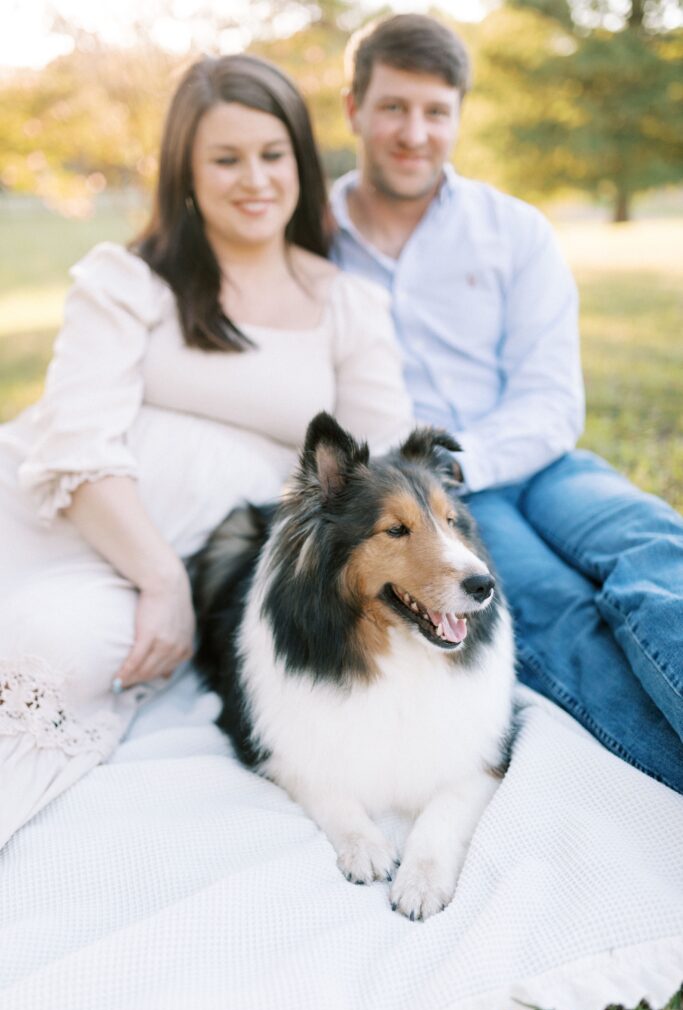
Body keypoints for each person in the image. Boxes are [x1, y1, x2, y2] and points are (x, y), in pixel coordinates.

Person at [0, 53, 413, 850]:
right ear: (185, 174)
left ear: (300, 160)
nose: (252, 179)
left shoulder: (348, 305)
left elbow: (379, 470)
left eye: (271, 154)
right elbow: (76, 441)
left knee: (48, 650)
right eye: (224, 159)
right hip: (54, 518)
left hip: (175, 564)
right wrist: (159, 579)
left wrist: (170, 583)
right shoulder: (128, 281)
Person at [329, 14, 683, 793]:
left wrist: (461, 462)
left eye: (434, 111)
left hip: (540, 463)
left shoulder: (513, 230)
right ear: (353, 108)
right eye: (393, 107)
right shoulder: (305, 241)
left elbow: (552, 398)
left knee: (655, 554)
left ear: (457, 114)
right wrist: (433, 493)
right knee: (560, 619)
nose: (413, 132)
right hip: (422, 511)